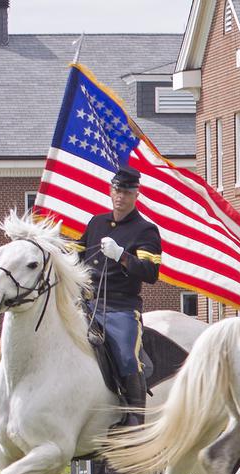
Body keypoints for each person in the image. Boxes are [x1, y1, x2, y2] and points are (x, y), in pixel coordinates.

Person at [70, 165, 162, 427]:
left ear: (136, 195)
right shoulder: (96, 222)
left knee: (126, 356)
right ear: (110, 192)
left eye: (126, 191)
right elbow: (77, 254)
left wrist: (121, 255)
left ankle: (135, 418)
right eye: (116, 190)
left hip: (120, 307)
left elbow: (150, 272)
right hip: (87, 302)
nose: (120, 196)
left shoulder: (145, 230)